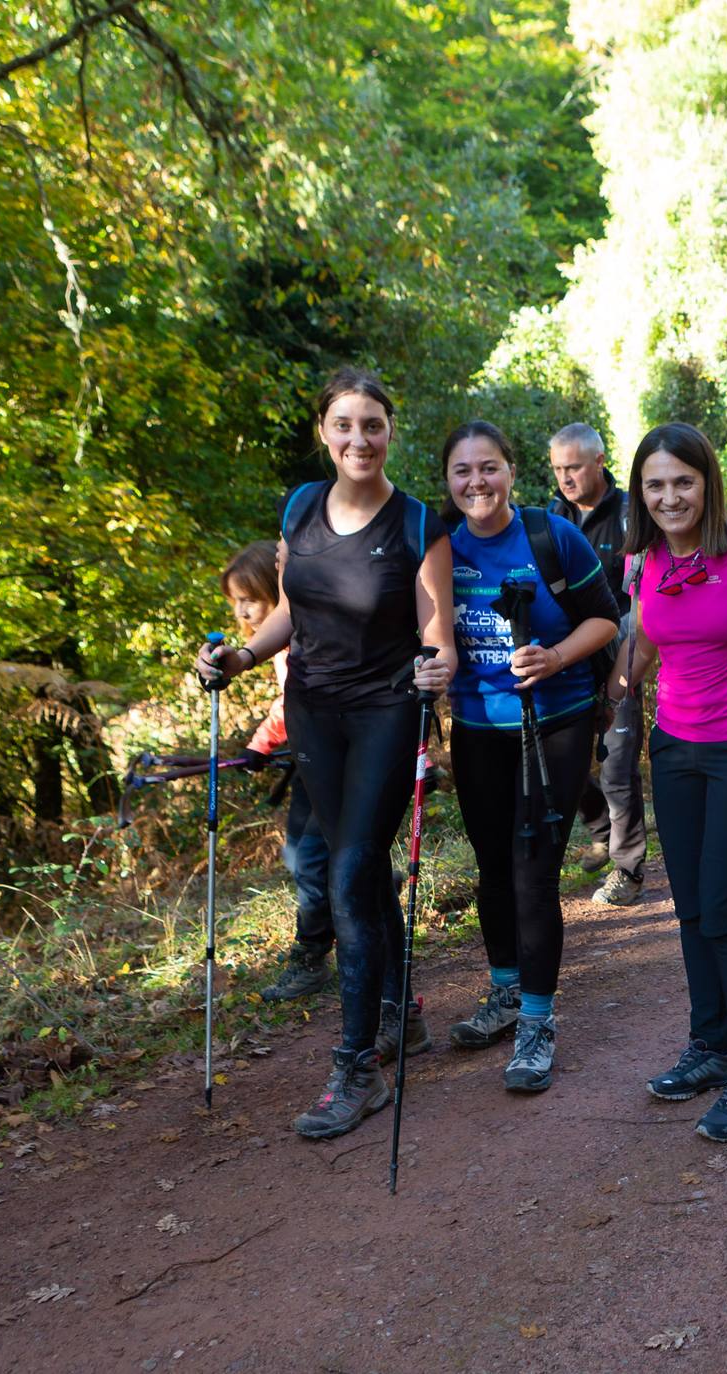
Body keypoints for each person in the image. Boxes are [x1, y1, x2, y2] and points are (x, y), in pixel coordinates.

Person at [194, 367, 455, 1140]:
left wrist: (437, 665)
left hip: (384, 712)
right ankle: (398, 1014)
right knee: (362, 871)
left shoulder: (417, 527)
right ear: (324, 431)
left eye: (372, 425)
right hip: (314, 714)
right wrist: (239, 658)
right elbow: (287, 613)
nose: (358, 439)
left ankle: (354, 1069)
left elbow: (435, 630)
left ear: (389, 432)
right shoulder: (300, 508)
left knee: (347, 873)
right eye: (344, 425)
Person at [609, 422, 727, 1142]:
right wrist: (617, 686)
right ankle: (709, 1048)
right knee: (687, 908)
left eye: (682, 481)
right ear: (639, 492)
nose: (669, 496)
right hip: (674, 745)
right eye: (655, 484)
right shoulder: (642, 562)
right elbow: (648, 637)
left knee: (723, 908)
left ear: (706, 483)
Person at [442, 420, 619, 1093]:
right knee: (492, 867)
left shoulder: (551, 536)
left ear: (512, 471)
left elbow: (605, 617)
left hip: (556, 720)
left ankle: (538, 1023)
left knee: (532, 870)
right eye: (463, 471)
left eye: (489, 467)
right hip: (476, 724)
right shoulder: (439, 544)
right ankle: (505, 990)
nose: (477, 482)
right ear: (449, 481)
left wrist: (554, 657)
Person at [220, 541, 333, 1003]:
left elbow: (294, 703)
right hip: (311, 758)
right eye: (236, 602)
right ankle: (357, 890)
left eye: (251, 599)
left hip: (329, 757)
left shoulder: (298, 637)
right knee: (300, 853)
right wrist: (260, 745)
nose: (243, 611)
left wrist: (260, 745)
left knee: (307, 857)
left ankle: (311, 957)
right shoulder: (281, 643)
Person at [548, 422, 648, 908]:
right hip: (563, 659)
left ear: (600, 461)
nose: (565, 477)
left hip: (621, 657)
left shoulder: (633, 515)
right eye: (558, 469)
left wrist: (628, 668)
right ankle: (601, 828)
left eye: (573, 467)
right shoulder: (549, 517)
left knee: (617, 767)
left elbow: (644, 600)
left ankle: (627, 872)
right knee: (556, 761)